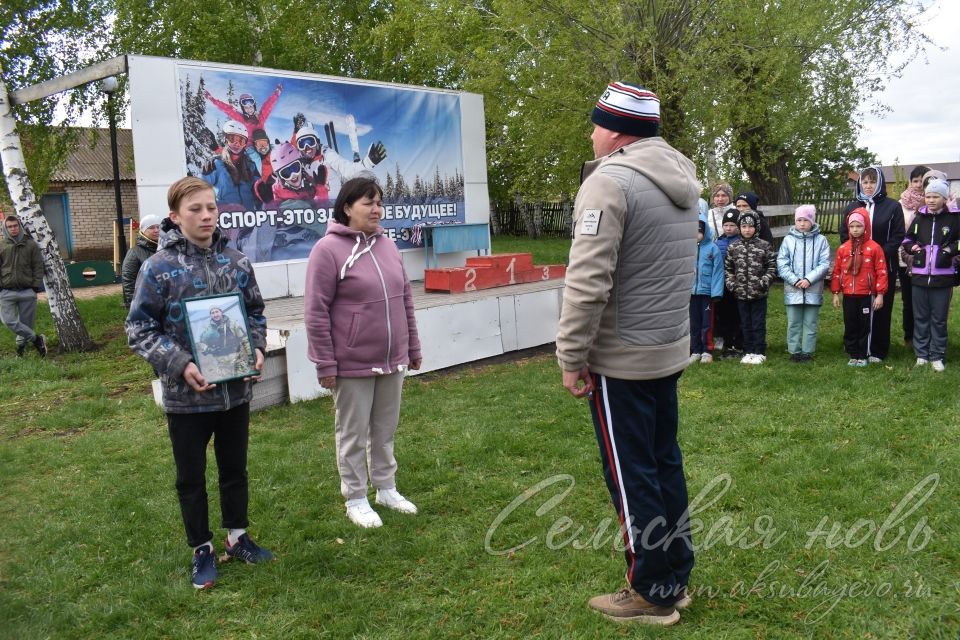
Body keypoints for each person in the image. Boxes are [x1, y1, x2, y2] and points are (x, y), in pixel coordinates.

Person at [556, 81, 697, 626]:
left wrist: (571, 356)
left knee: (631, 473)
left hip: (621, 358)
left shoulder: (610, 183)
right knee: (664, 463)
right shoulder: (681, 179)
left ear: (616, 130)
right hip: (665, 347)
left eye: (595, 124)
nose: (590, 134)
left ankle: (651, 590)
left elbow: (587, 282)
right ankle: (675, 573)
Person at [125, 177, 273, 590]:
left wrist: (257, 348)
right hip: (186, 397)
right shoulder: (158, 268)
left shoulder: (236, 260)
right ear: (175, 216)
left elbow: (256, 313)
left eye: (211, 207)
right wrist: (180, 363)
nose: (207, 215)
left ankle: (238, 537)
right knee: (190, 477)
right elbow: (138, 328)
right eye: (195, 209)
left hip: (234, 392)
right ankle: (202, 549)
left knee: (234, 470)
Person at [303, 176, 422, 530]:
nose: (376, 209)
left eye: (379, 202)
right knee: (353, 433)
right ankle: (356, 497)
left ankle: (386, 488)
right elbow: (315, 311)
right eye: (368, 203)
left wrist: (412, 346)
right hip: (351, 363)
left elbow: (405, 300)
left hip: (392, 359)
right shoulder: (327, 250)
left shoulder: (388, 246)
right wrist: (325, 363)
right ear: (346, 208)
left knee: (384, 430)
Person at [840, 166, 904, 362]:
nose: (868, 186)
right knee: (856, 309)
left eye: (872, 182)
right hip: (857, 269)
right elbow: (844, 235)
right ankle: (855, 347)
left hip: (884, 266)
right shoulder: (851, 207)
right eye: (865, 182)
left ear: (880, 183)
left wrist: (877, 256)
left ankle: (877, 349)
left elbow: (898, 235)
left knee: (880, 307)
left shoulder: (892, 207)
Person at [901, 178, 959, 371]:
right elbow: (907, 239)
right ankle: (921, 354)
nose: (931, 200)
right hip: (919, 275)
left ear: (944, 198)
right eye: (928, 196)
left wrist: (948, 251)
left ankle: (937, 355)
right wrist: (913, 248)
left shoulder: (954, 218)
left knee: (939, 318)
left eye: (935, 197)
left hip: (943, 277)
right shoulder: (919, 217)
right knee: (921, 317)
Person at [831, 209, 888, 367]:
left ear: (866, 227)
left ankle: (863, 354)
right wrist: (836, 293)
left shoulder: (874, 248)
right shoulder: (843, 249)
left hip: (866, 295)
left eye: (859, 226)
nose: (855, 229)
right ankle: (853, 353)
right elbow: (837, 271)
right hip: (849, 295)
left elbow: (882, 272)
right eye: (852, 226)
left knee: (864, 325)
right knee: (850, 324)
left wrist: (880, 294)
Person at [776, 205, 830, 362]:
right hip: (793, 290)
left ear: (812, 221)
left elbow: (824, 263)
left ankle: (807, 352)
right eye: (799, 220)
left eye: (805, 220)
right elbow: (782, 263)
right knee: (793, 322)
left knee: (810, 323)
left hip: (813, 289)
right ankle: (794, 351)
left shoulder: (821, 241)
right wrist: (795, 280)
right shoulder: (788, 240)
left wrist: (809, 279)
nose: (802, 224)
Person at [724, 210, 777, 364]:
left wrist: (763, 283)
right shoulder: (734, 247)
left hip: (759, 294)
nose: (747, 229)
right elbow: (728, 269)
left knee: (758, 323)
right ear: (740, 227)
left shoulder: (765, 246)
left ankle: (759, 351)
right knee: (745, 323)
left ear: (757, 227)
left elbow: (772, 268)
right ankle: (748, 351)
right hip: (740, 294)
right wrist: (733, 285)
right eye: (744, 226)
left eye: (750, 226)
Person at [0, 214, 46, 357]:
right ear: (5, 228)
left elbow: (38, 266)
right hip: (6, 291)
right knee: (8, 321)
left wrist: (35, 286)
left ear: (19, 226)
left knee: (26, 324)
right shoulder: (1, 246)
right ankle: (37, 339)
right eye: (10, 226)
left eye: (15, 226)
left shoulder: (30, 244)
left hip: (27, 291)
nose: (13, 229)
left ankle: (20, 349)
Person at [897, 165, 931, 348]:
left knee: (927, 301)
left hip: (931, 261)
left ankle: (927, 337)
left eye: (922, 180)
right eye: (915, 180)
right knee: (909, 300)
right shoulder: (901, 204)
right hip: (906, 260)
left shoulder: (935, 201)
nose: (918, 185)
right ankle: (909, 336)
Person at [202, 120, 261, 211]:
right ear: (225, 139)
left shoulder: (250, 166)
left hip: (248, 219)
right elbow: (199, 190)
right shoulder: (216, 164)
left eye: (241, 141)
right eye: (232, 139)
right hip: (225, 219)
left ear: (245, 144)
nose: (236, 144)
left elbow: (258, 190)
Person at [691, 219, 724, 363]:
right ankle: (696, 349)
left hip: (707, 294)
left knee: (707, 324)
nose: (696, 234)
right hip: (691, 293)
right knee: (693, 323)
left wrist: (716, 292)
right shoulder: (687, 248)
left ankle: (707, 350)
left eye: (699, 231)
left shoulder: (712, 248)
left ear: (705, 232)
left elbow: (718, 272)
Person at [713, 207, 743, 358]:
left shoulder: (741, 241)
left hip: (737, 284)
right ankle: (726, 340)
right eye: (726, 225)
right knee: (723, 313)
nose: (729, 228)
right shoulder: (719, 241)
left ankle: (738, 343)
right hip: (722, 284)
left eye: (732, 225)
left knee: (736, 314)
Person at [204, 85, 282, 142]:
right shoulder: (241, 119)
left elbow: (268, 106)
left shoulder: (260, 118)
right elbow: (228, 109)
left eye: (251, 107)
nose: (249, 109)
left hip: (263, 146)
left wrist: (276, 93)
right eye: (246, 108)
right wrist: (213, 100)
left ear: (254, 107)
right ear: (243, 109)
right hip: (250, 148)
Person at [197, 305, 255, 382]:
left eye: (217, 311)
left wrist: (251, 359)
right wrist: (208, 349)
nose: (215, 314)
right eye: (212, 313)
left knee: (245, 384)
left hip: (238, 364)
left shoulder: (233, 324)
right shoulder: (208, 329)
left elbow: (245, 341)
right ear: (210, 315)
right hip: (221, 367)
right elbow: (200, 343)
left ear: (221, 312)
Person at [121, 213, 163, 307]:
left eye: (158, 227)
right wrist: (135, 304)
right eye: (151, 227)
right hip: (147, 302)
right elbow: (128, 280)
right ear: (143, 231)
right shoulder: (134, 253)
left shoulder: (167, 249)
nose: (156, 230)